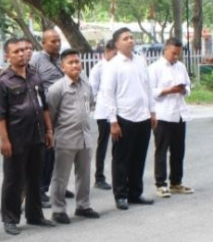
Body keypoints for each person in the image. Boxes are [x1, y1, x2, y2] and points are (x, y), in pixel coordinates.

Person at [0, 38, 55, 235]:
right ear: (7, 56)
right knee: (13, 180)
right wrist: (4, 141)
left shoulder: (34, 77)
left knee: (35, 178)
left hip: (36, 137)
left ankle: (35, 215)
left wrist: (49, 130)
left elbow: (43, 106)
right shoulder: (2, 82)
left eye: (24, 50)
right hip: (16, 138)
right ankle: (10, 219)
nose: (22, 54)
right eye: (16, 51)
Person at [100, 28, 156, 210]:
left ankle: (135, 193)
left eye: (132, 37)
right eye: (126, 38)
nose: (130, 41)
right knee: (121, 159)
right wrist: (113, 121)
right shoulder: (113, 65)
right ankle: (121, 195)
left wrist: (152, 111)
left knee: (138, 158)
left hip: (143, 116)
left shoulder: (141, 60)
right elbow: (108, 94)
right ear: (117, 44)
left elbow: (148, 87)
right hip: (124, 117)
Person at [46, 49, 100, 224]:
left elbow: (89, 106)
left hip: (85, 137)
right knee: (60, 176)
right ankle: (58, 210)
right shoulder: (57, 89)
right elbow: (51, 114)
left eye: (77, 61)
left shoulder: (86, 85)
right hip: (65, 138)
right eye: (71, 62)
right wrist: (52, 134)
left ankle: (83, 205)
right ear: (63, 67)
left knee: (84, 174)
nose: (76, 65)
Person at [30, 29, 72, 207]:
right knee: (46, 151)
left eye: (58, 41)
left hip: (63, 112)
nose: (57, 44)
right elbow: (31, 83)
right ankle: (40, 188)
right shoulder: (36, 60)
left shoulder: (61, 59)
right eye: (53, 41)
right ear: (43, 43)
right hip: (44, 112)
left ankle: (57, 185)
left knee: (60, 151)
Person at [148, 38, 193, 198]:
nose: (175, 57)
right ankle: (161, 184)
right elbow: (150, 91)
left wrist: (183, 90)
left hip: (179, 113)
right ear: (165, 50)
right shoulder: (154, 68)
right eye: (173, 53)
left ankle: (176, 182)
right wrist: (168, 90)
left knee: (178, 150)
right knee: (161, 150)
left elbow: (188, 85)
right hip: (163, 114)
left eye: (178, 54)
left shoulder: (180, 67)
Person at [89, 40, 116, 190]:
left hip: (119, 111)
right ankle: (99, 177)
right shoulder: (98, 69)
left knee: (119, 145)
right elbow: (91, 91)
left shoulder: (119, 67)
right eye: (114, 53)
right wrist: (86, 111)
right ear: (107, 51)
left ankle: (119, 174)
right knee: (103, 143)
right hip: (103, 112)